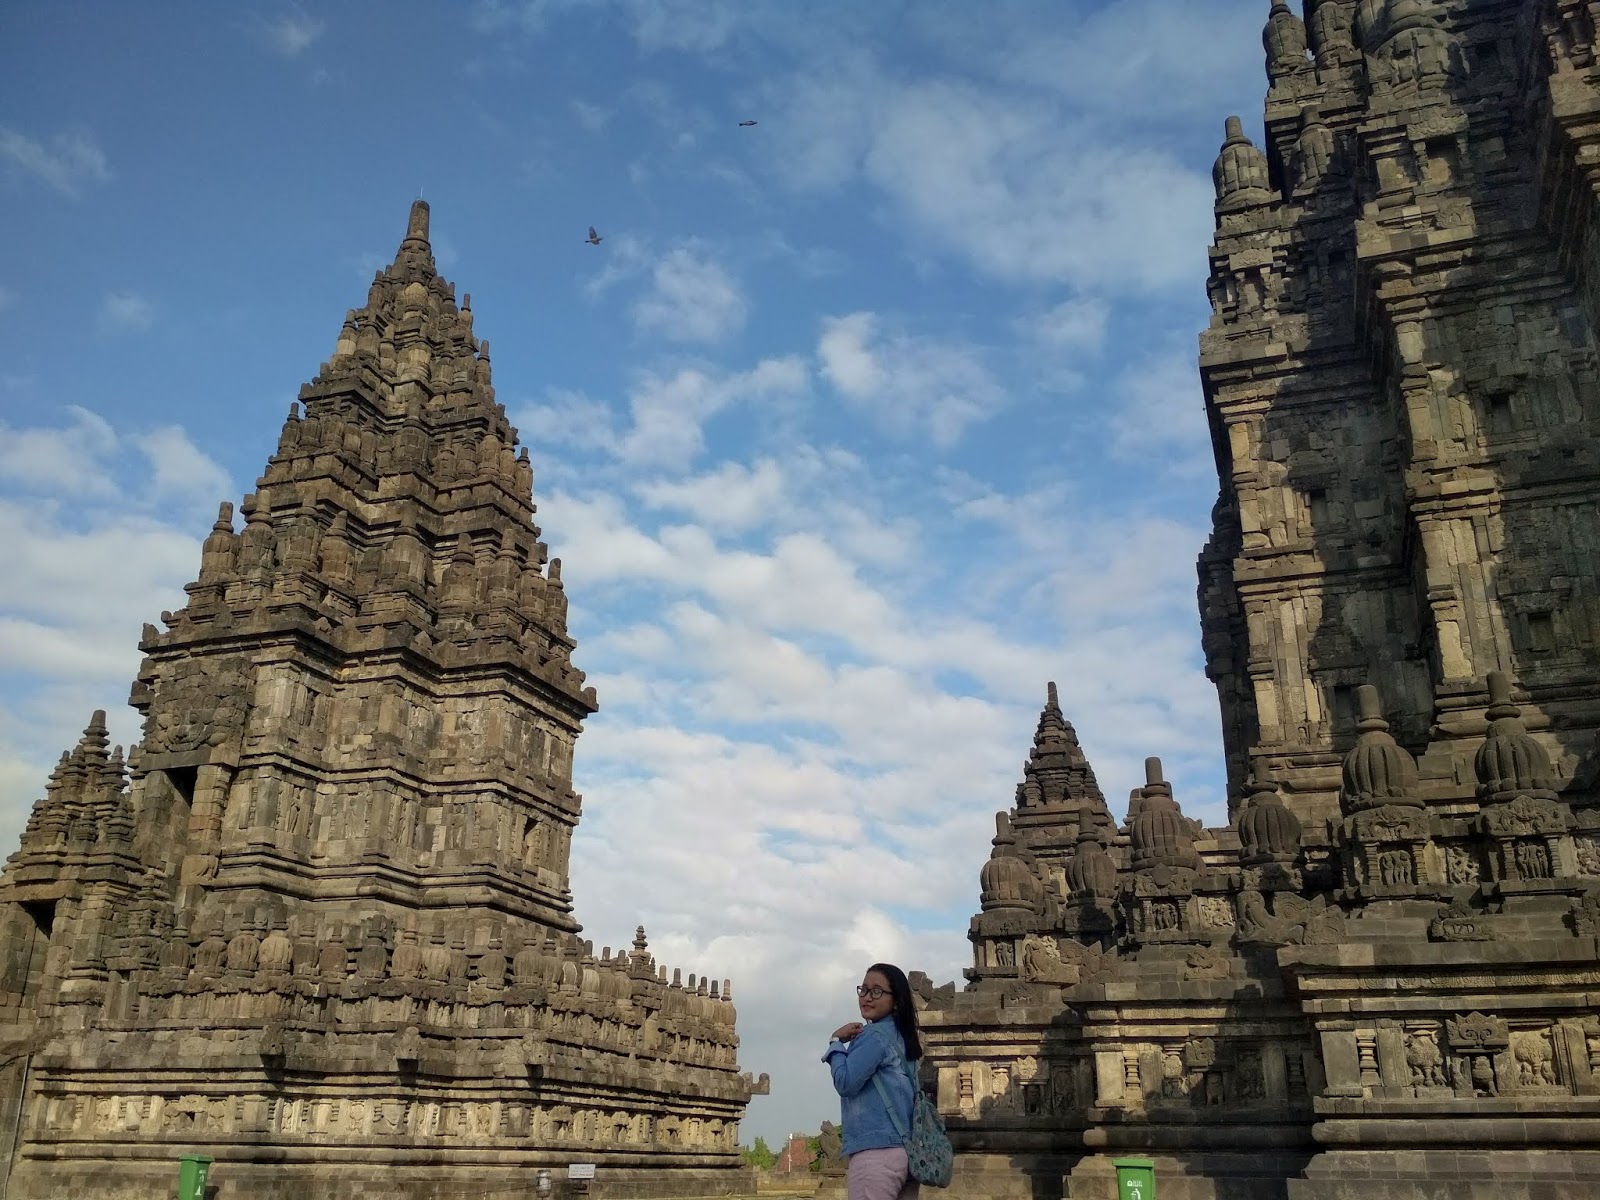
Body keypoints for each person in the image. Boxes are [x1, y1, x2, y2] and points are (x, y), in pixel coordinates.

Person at [821, 962, 923, 1200]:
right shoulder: (902, 1037)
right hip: (906, 1153)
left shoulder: (874, 1036)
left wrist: (835, 1043)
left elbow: (845, 1082)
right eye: (864, 989)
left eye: (877, 991)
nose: (867, 997)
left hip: (876, 1153)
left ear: (896, 1000)